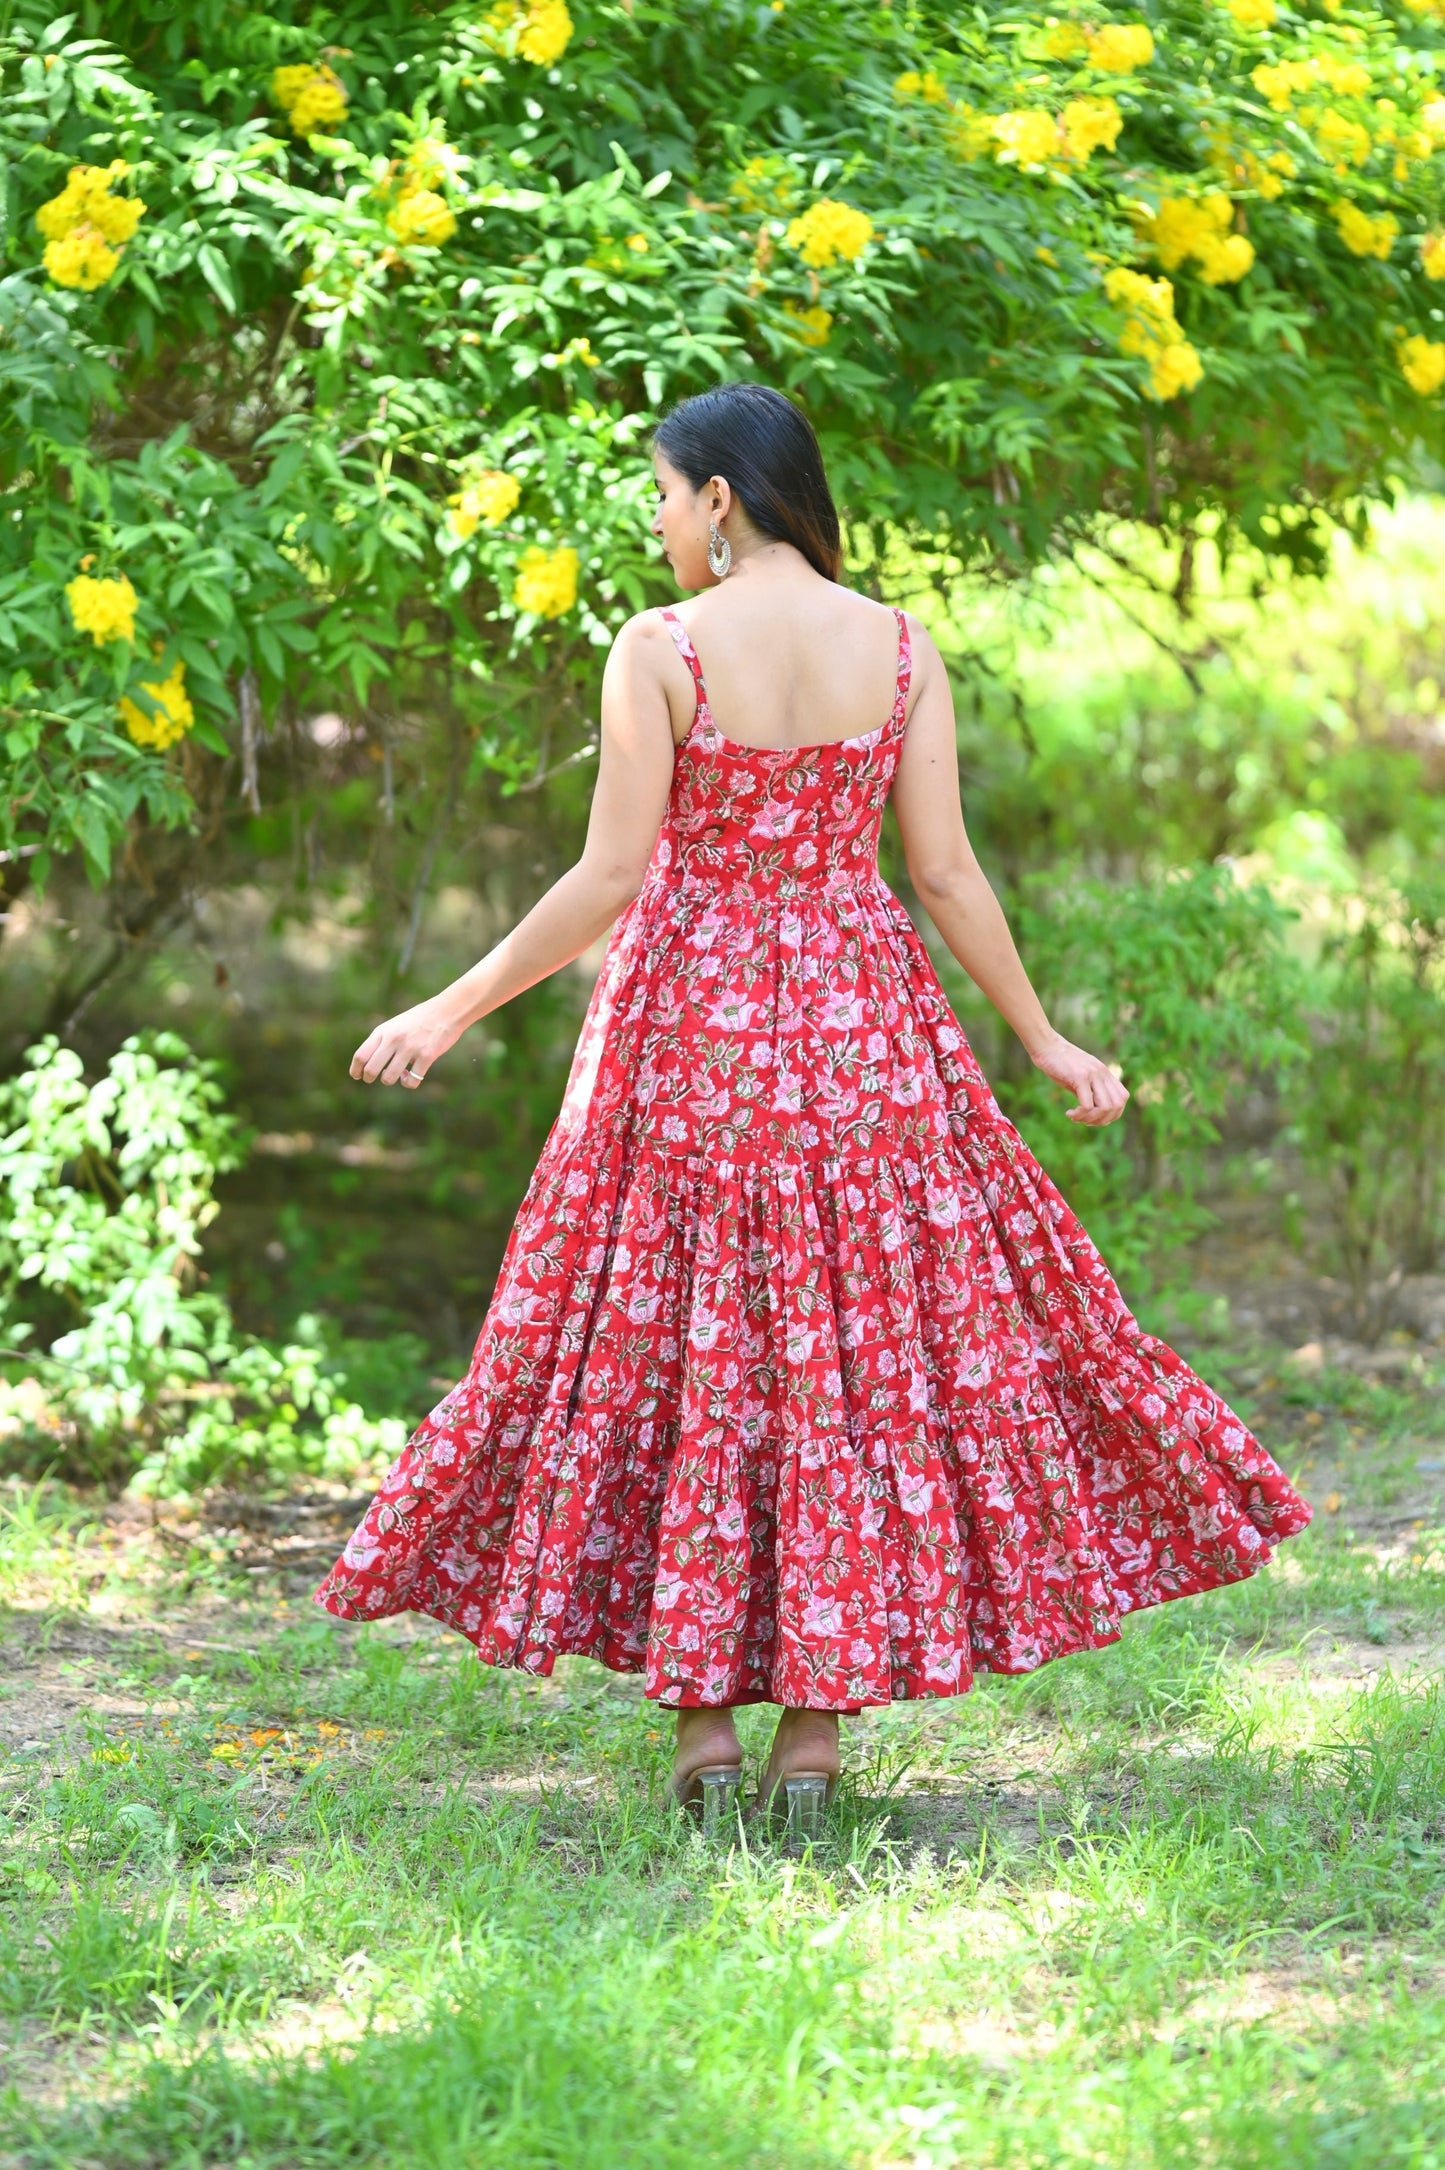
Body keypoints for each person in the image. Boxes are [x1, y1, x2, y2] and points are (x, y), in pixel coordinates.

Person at [314, 381, 1311, 1839]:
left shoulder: (659, 649)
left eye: (661, 493)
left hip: (688, 1030)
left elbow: (606, 878)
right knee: (845, 1353)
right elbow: (948, 875)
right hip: (863, 1031)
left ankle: (703, 1726)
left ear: (720, 497)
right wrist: (1038, 1038)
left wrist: (443, 1009)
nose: (655, 523)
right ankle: (813, 1738)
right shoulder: (898, 648)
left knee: (687, 1342)